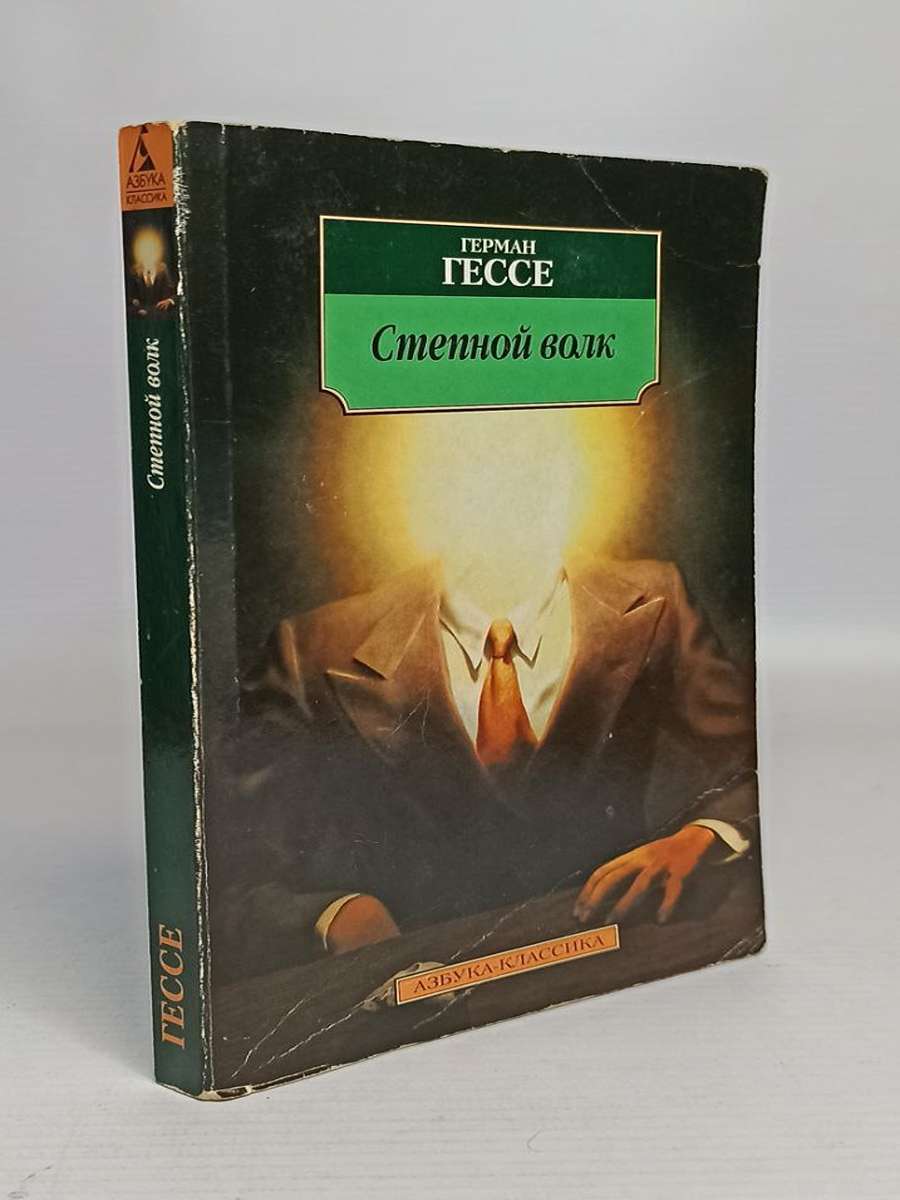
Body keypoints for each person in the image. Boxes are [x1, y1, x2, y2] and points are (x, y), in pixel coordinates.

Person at [220, 556, 757, 976]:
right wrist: (333, 916)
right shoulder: (313, 646)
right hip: (420, 983)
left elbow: (758, 763)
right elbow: (230, 873)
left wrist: (707, 834)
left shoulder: (656, 596)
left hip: (619, 955)